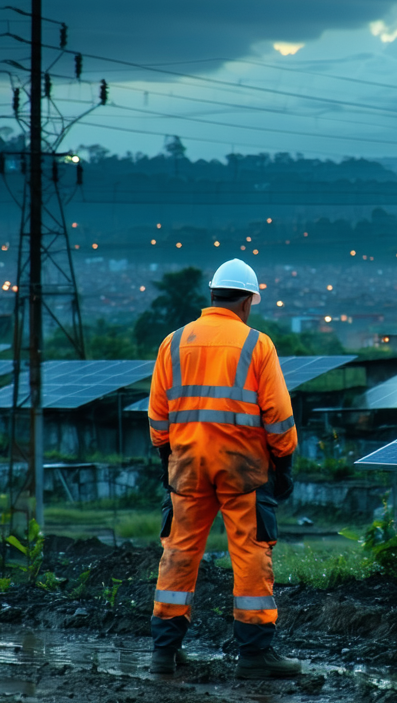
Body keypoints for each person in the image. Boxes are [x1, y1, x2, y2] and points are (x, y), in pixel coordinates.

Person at [147, 258, 301, 679]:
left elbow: (158, 417)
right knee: (250, 554)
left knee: (179, 552)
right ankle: (254, 656)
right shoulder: (257, 344)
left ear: (212, 295)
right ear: (248, 301)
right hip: (244, 468)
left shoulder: (173, 343)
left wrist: (167, 459)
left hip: (187, 465)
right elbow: (279, 415)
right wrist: (283, 463)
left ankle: (165, 652)